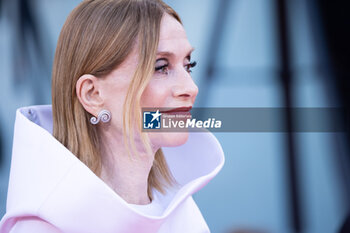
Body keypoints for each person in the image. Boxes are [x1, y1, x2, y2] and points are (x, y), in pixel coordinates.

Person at [0, 0, 224, 232]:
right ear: (92, 94)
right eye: (160, 67)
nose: (190, 88)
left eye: (189, 65)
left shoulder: (183, 213)